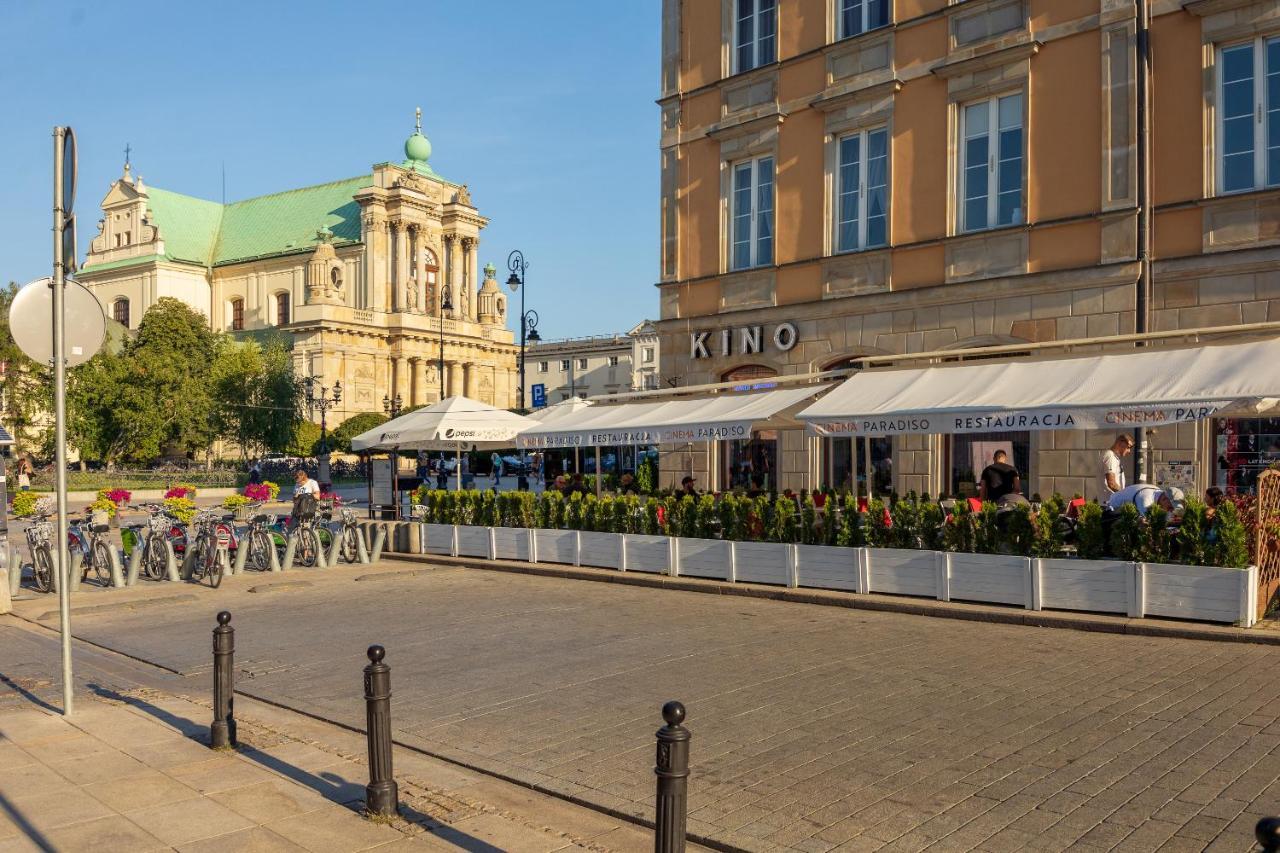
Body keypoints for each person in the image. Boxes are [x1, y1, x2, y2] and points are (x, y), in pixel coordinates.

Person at [1105, 484, 1184, 517]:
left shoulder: (1157, 492)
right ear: (1165, 499)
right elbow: (1145, 522)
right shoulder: (1146, 499)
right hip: (1112, 514)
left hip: (1125, 513)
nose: (1170, 511)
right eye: (1170, 508)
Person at [1100, 434, 1134, 499]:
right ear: (1119, 443)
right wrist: (1125, 496)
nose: (1129, 451)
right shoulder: (1110, 456)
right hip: (1110, 503)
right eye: (1128, 447)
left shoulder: (1114, 457)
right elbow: (1112, 483)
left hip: (1112, 501)